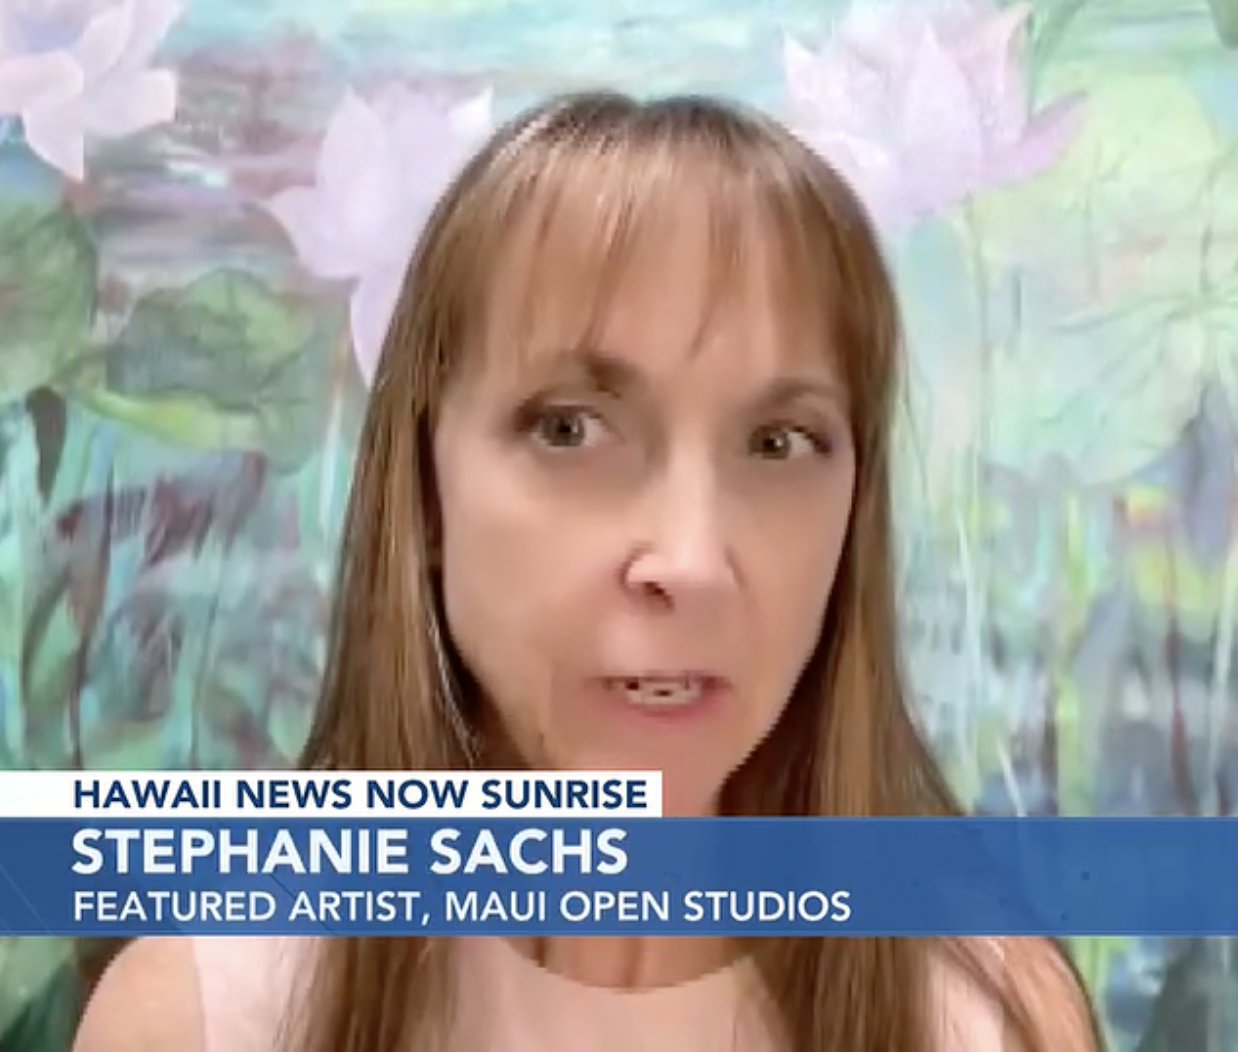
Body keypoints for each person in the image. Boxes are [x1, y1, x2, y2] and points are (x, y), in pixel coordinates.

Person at [73, 91, 1102, 1052]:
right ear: (424, 485)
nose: (690, 562)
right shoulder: (202, 1014)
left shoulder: (987, 1018)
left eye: (778, 442)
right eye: (569, 428)